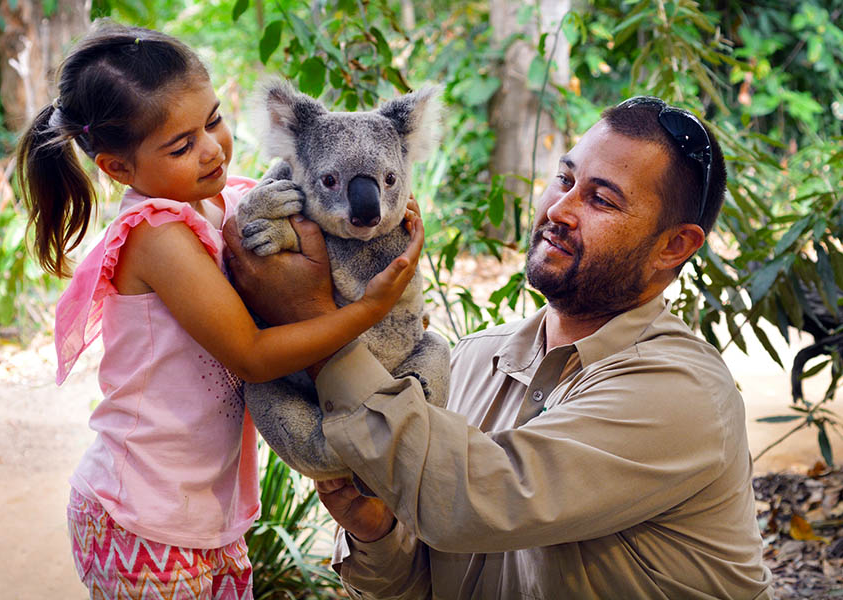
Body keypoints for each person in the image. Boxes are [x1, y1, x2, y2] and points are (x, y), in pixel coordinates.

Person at [223, 96, 774, 598]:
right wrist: (380, 531)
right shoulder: (471, 359)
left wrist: (310, 318)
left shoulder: (680, 394)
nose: (560, 209)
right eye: (564, 179)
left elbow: (474, 504)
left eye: (601, 200)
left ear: (673, 246)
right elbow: (431, 581)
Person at [16, 21, 422, 599]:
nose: (210, 149)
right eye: (181, 146)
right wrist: (371, 307)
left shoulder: (222, 198)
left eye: (213, 121)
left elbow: (315, 202)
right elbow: (252, 357)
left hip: (206, 514)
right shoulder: (156, 233)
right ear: (117, 168)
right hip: (143, 515)